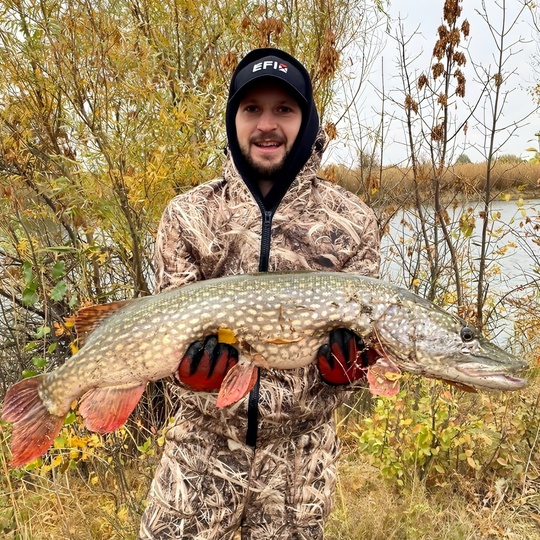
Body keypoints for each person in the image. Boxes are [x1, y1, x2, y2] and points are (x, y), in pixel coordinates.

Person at [138, 47, 380, 539]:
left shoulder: (352, 221)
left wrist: (349, 372)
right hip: (199, 455)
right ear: (234, 120)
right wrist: (194, 376)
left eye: (284, 110)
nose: (267, 124)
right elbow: (162, 341)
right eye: (252, 109)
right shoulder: (189, 214)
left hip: (298, 470)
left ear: (306, 120)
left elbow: (369, 348)